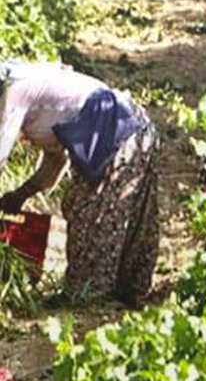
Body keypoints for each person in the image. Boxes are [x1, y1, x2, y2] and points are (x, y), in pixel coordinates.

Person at [0, 61, 159, 306]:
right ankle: (121, 291)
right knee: (90, 206)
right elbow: (55, 162)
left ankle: (90, 296)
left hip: (118, 131)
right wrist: (21, 194)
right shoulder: (38, 98)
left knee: (95, 213)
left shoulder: (15, 90)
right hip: (128, 127)